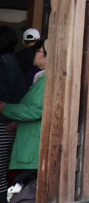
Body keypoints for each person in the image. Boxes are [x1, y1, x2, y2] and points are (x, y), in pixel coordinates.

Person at [0, 38, 46, 176]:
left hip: (33, 150)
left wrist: (4, 108)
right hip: (30, 148)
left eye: (39, 51)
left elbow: (35, 110)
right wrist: (17, 122)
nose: (34, 53)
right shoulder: (40, 78)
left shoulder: (46, 80)